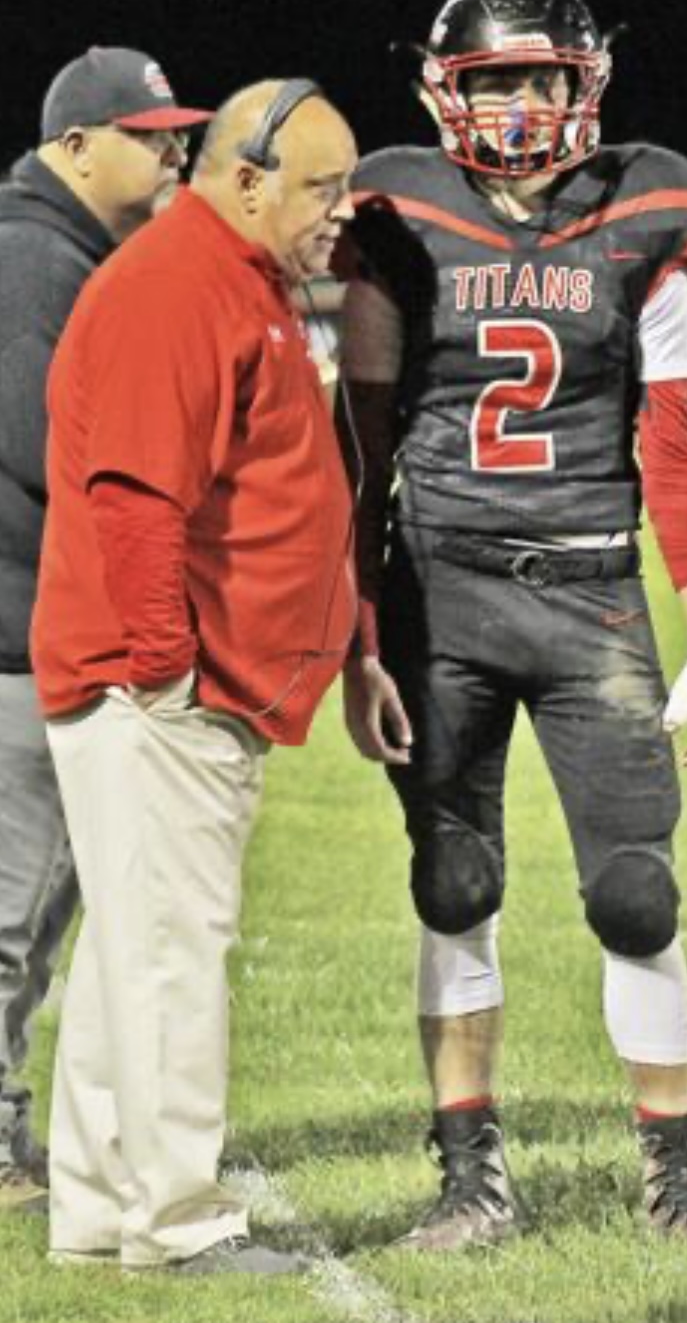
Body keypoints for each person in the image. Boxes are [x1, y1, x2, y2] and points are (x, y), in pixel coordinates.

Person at [340, 0, 687, 1254]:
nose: (519, 108)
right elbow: (357, 444)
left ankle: (675, 1180)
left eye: (541, 79)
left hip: (592, 596)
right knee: (454, 881)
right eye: (493, 81)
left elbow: (672, 443)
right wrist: (361, 635)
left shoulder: (648, 211)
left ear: (586, 86)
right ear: (441, 90)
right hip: (442, 594)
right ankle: (469, 1178)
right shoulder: (398, 214)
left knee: (636, 894)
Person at [30, 79, 358, 1274]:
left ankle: (99, 1212)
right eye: (322, 186)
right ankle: (176, 1223)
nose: (341, 209)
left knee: (133, 951)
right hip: (157, 685)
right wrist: (167, 673)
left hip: (175, 680)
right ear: (248, 177)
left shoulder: (236, 273)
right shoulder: (180, 280)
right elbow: (133, 499)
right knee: (169, 950)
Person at [0, 47, 211, 1208]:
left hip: (40, 625)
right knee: (13, 906)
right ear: (76, 146)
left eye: (178, 133)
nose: (173, 152)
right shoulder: (34, 257)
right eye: (150, 134)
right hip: (19, 632)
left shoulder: (69, 251)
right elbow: (54, 447)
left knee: (32, 905)